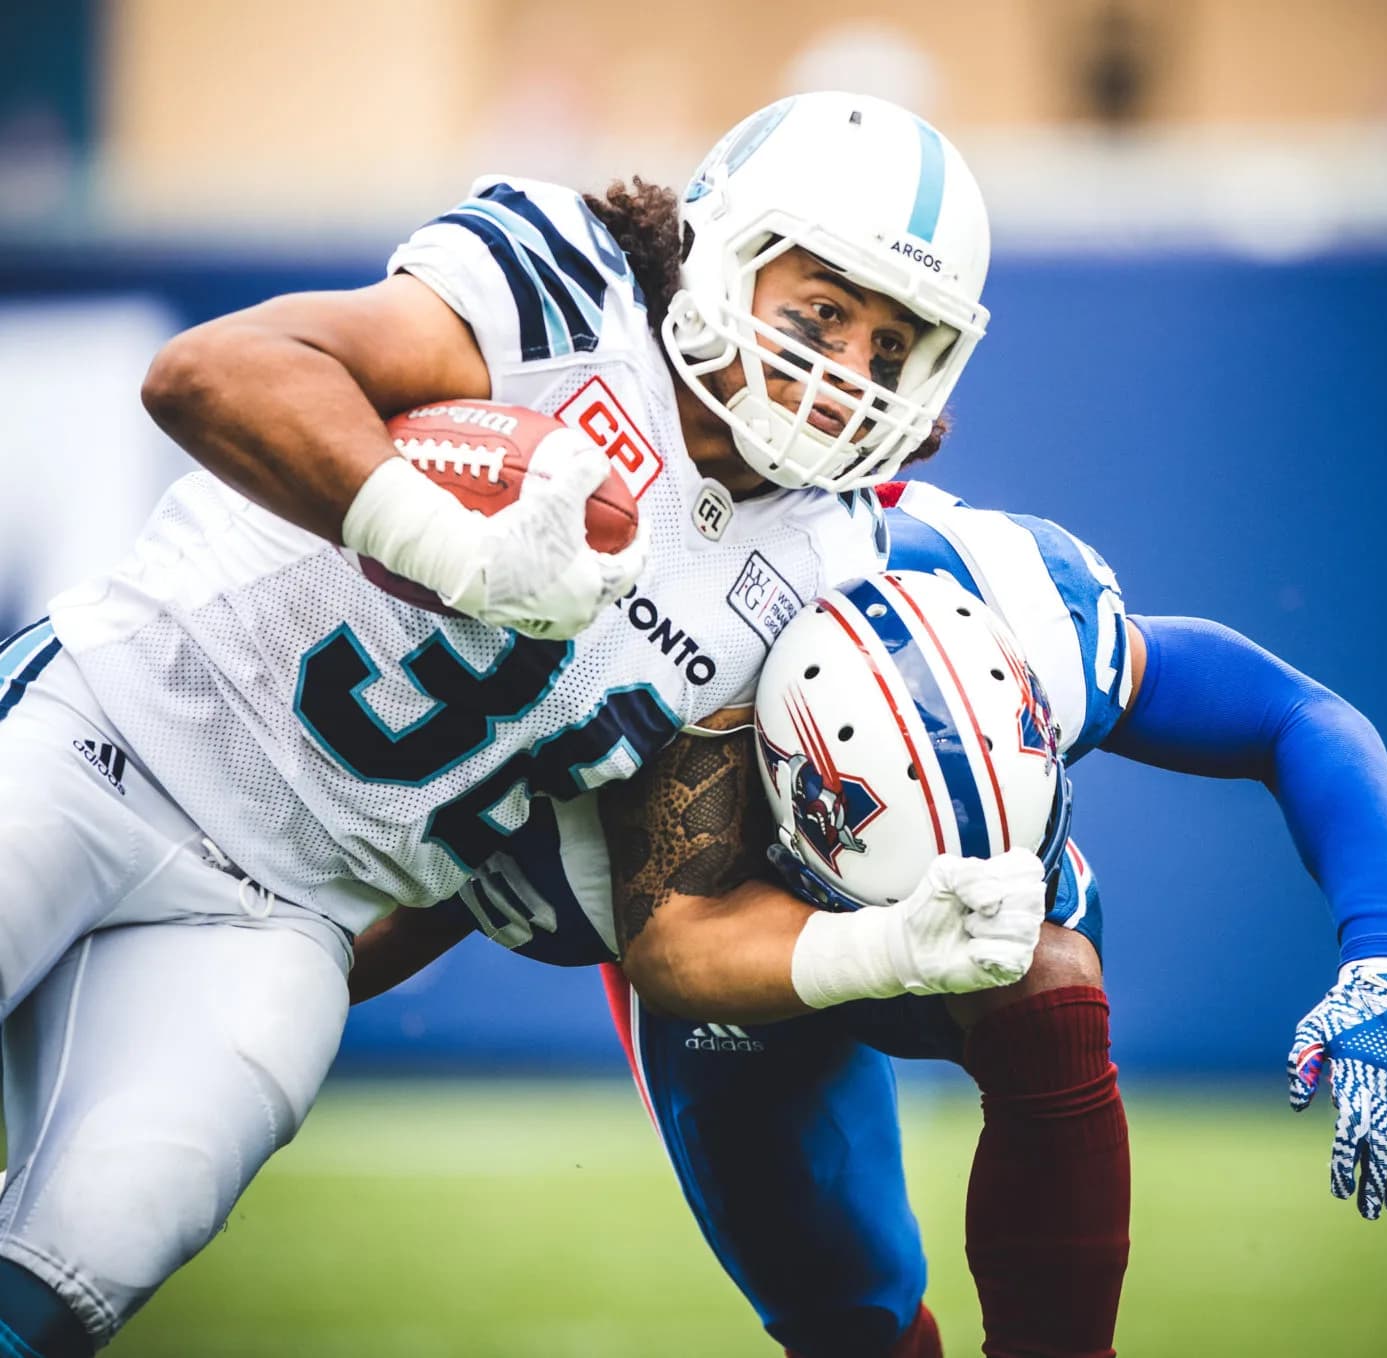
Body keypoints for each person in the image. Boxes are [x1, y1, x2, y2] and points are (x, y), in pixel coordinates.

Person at [0, 92, 1052, 1355]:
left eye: (891, 345)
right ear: (724, 249)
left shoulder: (823, 564)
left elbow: (661, 924)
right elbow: (210, 373)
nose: (846, 371)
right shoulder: (571, 291)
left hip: (283, 914)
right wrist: (452, 547)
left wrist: (880, 943)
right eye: (822, 310)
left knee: (82, 1259)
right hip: (108, 725)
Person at [354, 483, 1387, 1358]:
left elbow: (1296, 712)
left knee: (1046, 975)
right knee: (851, 1324)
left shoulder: (1014, 603)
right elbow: (363, 943)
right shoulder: (600, 786)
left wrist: (1385, 953)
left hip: (973, 915)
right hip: (740, 966)